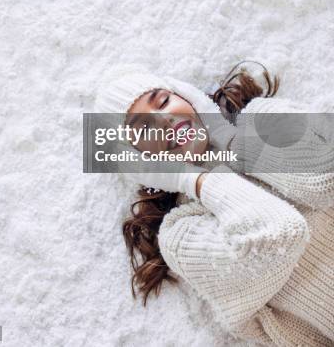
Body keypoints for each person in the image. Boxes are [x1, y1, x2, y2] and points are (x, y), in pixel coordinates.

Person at [94, 62, 334, 346]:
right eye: (144, 127)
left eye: (164, 100)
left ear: (187, 96)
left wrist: (230, 138)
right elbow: (281, 236)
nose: (164, 120)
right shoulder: (182, 235)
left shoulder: (263, 120)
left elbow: (327, 180)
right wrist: (192, 180)